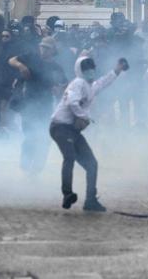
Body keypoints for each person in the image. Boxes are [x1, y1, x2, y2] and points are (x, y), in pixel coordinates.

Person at [49, 56, 128, 212]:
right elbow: (72, 102)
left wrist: (117, 70)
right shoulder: (78, 83)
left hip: (72, 130)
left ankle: (90, 200)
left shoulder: (90, 85)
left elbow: (104, 82)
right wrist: (84, 117)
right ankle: (67, 194)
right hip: (60, 127)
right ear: (80, 70)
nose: (90, 71)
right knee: (69, 157)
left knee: (92, 164)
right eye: (86, 68)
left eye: (92, 67)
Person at [9, 37, 67, 175]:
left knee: (45, 139)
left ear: (53, 51)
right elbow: (11, 60)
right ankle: (25, 166)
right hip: (28, 104)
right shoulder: (31, 58)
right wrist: (21, 66)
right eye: (42, 46)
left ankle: (36, 170)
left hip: (45, 106)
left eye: (47, 48)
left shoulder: (56, 68)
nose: (43, 49)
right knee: (30, 136)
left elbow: (64, 85)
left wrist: (59, 90)